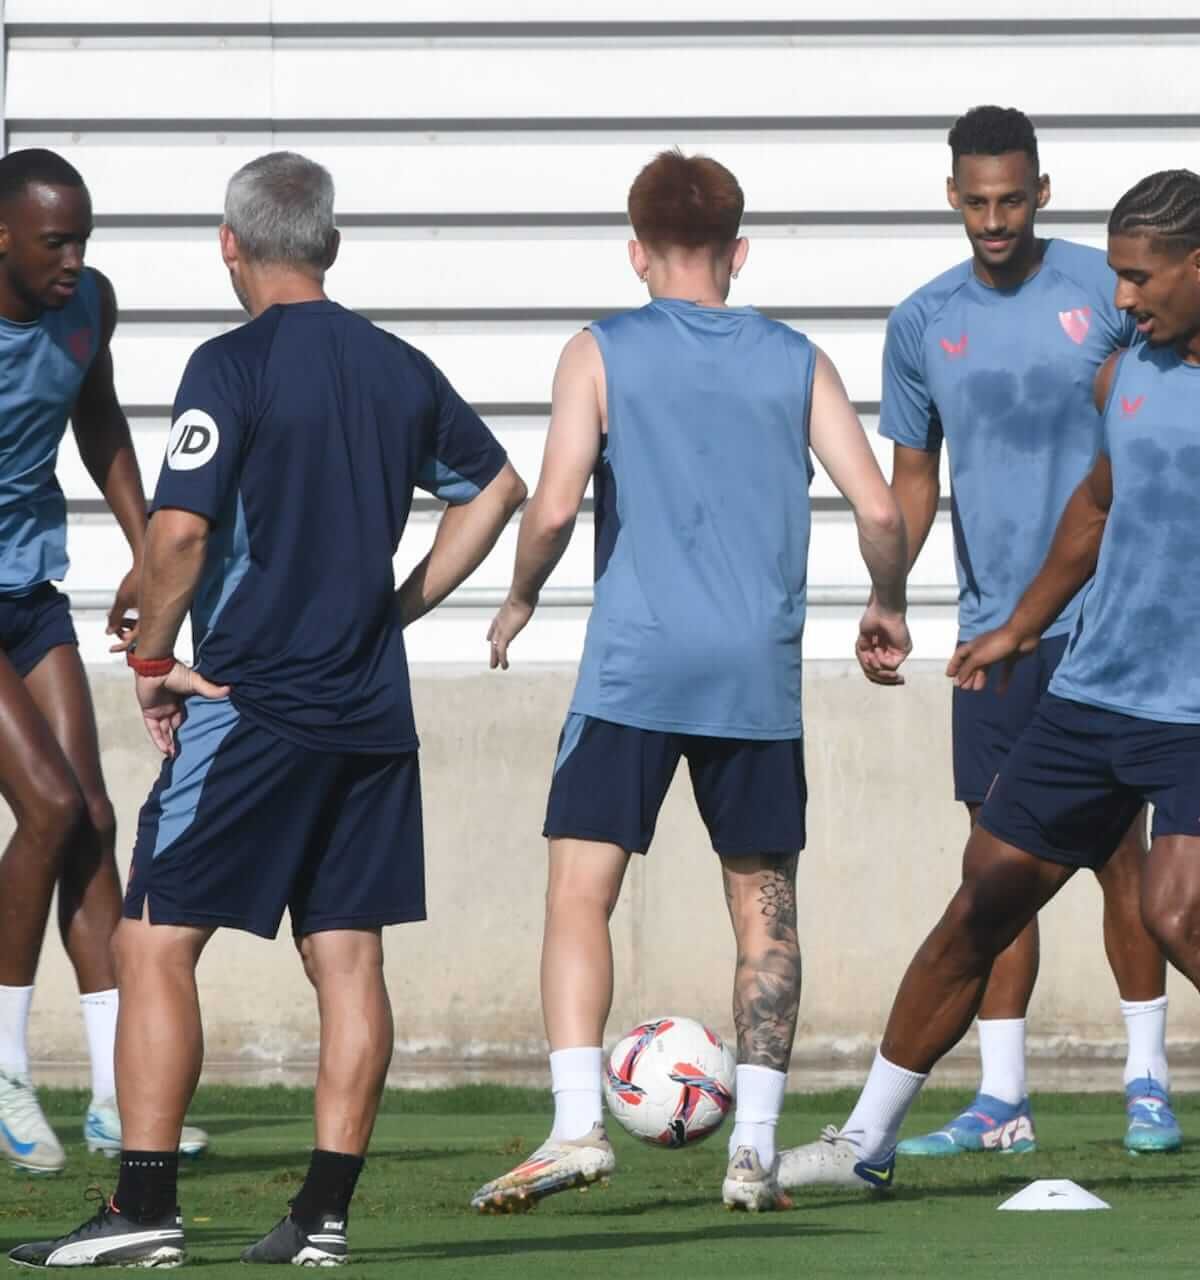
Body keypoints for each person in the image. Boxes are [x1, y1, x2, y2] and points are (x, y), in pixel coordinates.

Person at [781, 168, 1200, 1195]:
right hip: (1089, 693)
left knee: (1183, 919)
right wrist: (1017, 627)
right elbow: (1093, 511)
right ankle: (863, 1141)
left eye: (1138, 278)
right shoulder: (1124, 375)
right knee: (980, 901)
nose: (1122, 297)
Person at [8, 151, 526, 1269]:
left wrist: (153, 654)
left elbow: (183, 533)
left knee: (150, 939)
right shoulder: (399, 367)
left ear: (230, 247)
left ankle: (144, 1207)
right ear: (326, 245)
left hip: (255, 704)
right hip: (372, 714)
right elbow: (496, 488)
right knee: (348, 958)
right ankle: (322, 1218)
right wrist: (400, 606)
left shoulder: (227, 365)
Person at [468, 149, 911, 1216]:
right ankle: (751, 1150)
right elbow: (883, 511)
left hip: (632, 666)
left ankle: (578, 1123)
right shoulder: (796, 358)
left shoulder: (598, 350)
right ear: (739, 252)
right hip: (752, 673)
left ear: (635, 252)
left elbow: (558, 503)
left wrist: (521, 594)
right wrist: (885, 602)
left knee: (581, 890)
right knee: (765, 909)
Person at [869, 105, 1180, 1160]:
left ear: (1041, 192)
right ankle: (1001, 1099)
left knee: (1120, 863)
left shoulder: (1106, 290)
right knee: (990, 870)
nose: (994, 219)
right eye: (976, 202)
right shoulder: (921, 321)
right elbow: (913, 484)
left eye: (1012, 199)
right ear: (950, 198)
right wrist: (887, 593)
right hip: (987, 635)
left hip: (1107, 628)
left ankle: (1147, 1083)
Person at [0, 148, 206, 1175]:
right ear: (1, 235)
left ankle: (119, 1096)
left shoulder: (90, 308)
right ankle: (3, 1069)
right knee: (42, 806)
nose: (74, 259)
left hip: (26, 586)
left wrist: (143, 547)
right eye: (54, 242)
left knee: (89, 811)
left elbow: (97, 417)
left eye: (83, 239)